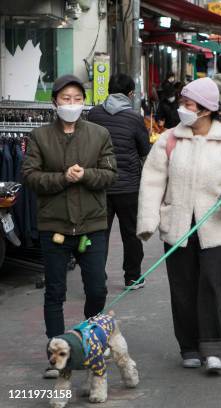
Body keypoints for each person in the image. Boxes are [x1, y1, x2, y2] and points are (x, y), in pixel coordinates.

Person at [137, 78, 221, 372]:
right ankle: (188, 346)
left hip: (215, 227)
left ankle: (213, 347)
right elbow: (152, 181)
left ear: (205, 109)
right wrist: (149, 221)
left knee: (212, 287)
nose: (182, 109)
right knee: (182, 288)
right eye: (183, 104)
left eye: (188, 105)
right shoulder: (169, 140)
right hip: (177, 228)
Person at [22, 75, 117, 379]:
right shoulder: (39, 136)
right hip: (55, 225)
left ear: (84, 101)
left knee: (97, 287)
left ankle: (89, 342)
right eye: (66, 99)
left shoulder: (99, 134)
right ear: (55, 102)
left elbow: (110, 173)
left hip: (92, 223)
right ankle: (56, 352)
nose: (71, 104)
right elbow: (30, 176)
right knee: (55, 291)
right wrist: (62, 177)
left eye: (77, 99)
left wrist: (85, 174)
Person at [88, 73, 151, 289]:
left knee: (98, 234)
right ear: (130, 94)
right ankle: (132, 277)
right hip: (128, 187)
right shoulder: (134, 118)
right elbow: (145, 151)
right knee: (131, 234)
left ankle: (97, 278)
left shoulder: (93, 114)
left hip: (99, 186)